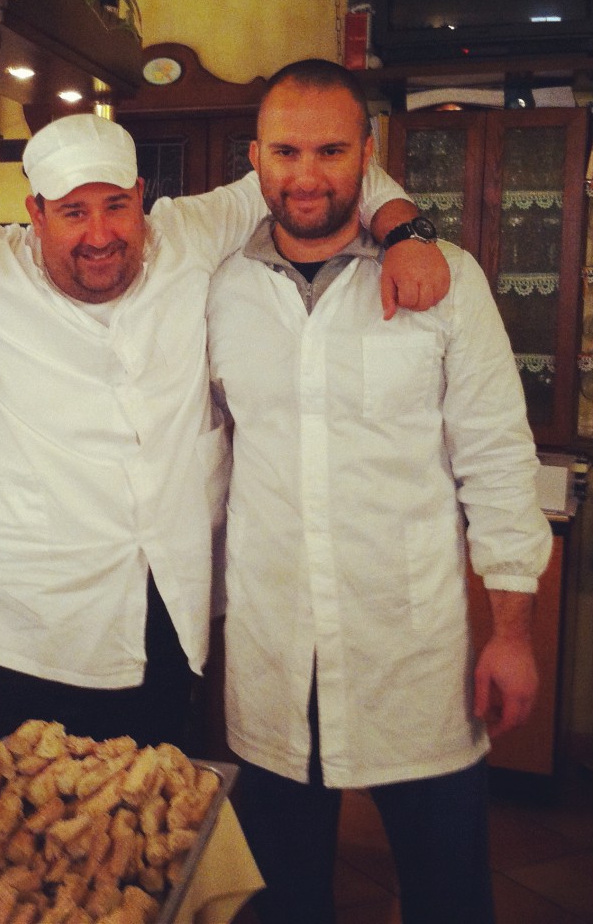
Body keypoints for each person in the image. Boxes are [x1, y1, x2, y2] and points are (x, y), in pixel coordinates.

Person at [0, 112, 449, 750]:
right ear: (36, 213)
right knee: (41, 827)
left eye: (115, 207)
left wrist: (409, 234)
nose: (99, 234)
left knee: (159, 816)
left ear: (140, 196)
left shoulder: (188, 231)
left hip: (173, 609)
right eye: (72, 212)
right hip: (42, 625)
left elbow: (323, 177)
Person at [206, 59, 552, 924]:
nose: (307, 174)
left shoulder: (448, 281)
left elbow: (499, 461)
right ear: (256, 158)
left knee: (449, 899)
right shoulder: (218, 291)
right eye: (286, 151)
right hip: (272, 652)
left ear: (369, 153)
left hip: (413, 657)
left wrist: (510, 633)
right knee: (279, 903)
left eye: (331, 149)